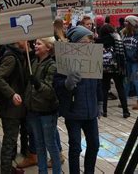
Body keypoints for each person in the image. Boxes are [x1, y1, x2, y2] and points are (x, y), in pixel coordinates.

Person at [54, 26, 102, 174]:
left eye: (91, 41)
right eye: (86, 41)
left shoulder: (93, 59)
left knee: (94, 145)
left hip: (90, 112)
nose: (90, 44)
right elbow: (57, 85)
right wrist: (67, 83)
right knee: (75, 147)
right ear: (77, 43)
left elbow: (99, 84)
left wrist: (99, 103)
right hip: (74, 112)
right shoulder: (65, 60)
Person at [24, 37, 61, 173]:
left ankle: (56, 171)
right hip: (34, 111)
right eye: (35, 43)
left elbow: (50, 92)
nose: (35, 45)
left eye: (39, 44)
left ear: (48, 47)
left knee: (51, 144)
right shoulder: (33, 62)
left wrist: (38, 84)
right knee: (39, 145)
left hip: (47, 112)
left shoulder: (52, 65)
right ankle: (42, 171)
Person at [0, 41, 28, 173]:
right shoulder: (11, 57)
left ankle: (9, 168)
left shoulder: (16, 54)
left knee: (11, 141)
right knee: (9, 142)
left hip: (14, 107)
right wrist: (12, 94)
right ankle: (6, 170)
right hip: (11, 108)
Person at [96, 24, 130, 118]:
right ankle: (125, 111)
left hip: (104, 68)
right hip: (117, 67)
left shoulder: (99, 41)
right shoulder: (118, 39)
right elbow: (124, 53)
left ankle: (104, 111)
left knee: (104, 89)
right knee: (120, 89)